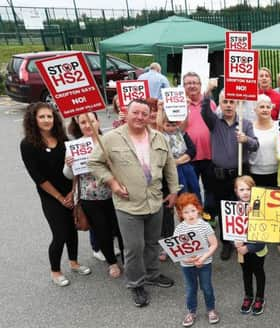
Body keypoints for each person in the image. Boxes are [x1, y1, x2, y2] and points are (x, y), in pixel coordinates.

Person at [89, 99, 179, 307]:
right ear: (126, 113)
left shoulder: (159, 137)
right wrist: (111, 182)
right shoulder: (111, 138)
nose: (139, 117)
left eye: (144, 113)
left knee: (152, 242)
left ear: (149, 116)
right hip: (128, 204)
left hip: (154, 200)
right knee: (133, 247)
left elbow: (170, 166)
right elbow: (94, 162)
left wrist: (173, 190)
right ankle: (136, 283)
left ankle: (153, 274)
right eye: (135, 112)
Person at [20, 102, 91, 287]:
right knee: (59, 233)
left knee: (72, 229)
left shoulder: (63, 138)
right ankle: (55, 271)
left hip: (70, 191)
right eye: (42, 117)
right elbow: (38, 177)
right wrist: (60, 197)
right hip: (51, 196)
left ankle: (74, 262)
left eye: (49, 116)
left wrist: (72, 191)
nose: (46, 120)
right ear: (33, 120)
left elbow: (76, 168)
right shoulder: (27, 144)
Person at [200, 90, 259, 260]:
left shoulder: (245, 124)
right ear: (220, 104)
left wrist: (246, 139)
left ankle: (243, 241)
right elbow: (205, 112)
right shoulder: (214, 122)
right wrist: (207, 94)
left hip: (239, 175)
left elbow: (256, 145)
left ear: (237, 104)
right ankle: (226, 243)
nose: (228, 105)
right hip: (219, 176)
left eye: (232, 101)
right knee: (225, 210)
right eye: (225, 101)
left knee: (241, 208)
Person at [64, 112, 122, 278]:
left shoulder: (110, 140)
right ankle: (111, 262)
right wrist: (69, 165)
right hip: (90, 198)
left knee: (120, 230)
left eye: (91, 120)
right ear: (79, 125)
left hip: (115, 194)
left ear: (98, 121)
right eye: (83, 122)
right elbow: (68, 175)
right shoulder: (75, 146)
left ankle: (127, 259)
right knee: (102, 231)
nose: (88, 125)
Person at [172, 193, 219, 327]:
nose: (190, 214)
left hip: (204, 263)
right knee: (190, 288)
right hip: (187, 265)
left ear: (198, 209)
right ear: (180, 213)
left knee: (207, 287)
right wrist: (186, 259)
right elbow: (176, 249)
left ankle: (211, 309)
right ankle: (191, 311)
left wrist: (203, 257)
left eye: (193, 210)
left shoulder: (204, 225)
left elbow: (214, 244)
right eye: (186, 212)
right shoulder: (180, 228)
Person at [233, 176, 268, 315]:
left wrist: (248, 248)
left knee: (258, 272)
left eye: (249, 189)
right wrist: (235, 244)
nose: (246, 192)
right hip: (240, 249)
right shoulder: (233, 208)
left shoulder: (260, 207)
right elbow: (230, 228)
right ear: (236, 191)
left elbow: (264, 232)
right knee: (246, 273)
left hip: (257, 249)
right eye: (242, 189)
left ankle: (260, 297)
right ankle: (248, 296)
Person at [182, 72, 217, 212]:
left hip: (209, 154)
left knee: (210, 189)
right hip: (189, 156)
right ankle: (195, 217)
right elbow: (180, 129)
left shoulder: (210, 103)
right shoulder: (179, 104)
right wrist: (184, 108)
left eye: (195, 83)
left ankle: (208, 215)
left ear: (200, 85)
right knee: (191, 190)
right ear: (183, 86)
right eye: (188, 83)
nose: (192, 86)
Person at [157, 108, 200, 200]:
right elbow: (158, 124)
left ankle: (197, 208)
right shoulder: (162, 134)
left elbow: (185, 122)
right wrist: (160, 109)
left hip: (186, 165)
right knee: (182, 190)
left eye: (173, 125)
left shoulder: (180, 131)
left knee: (194, 187)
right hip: (174, 168)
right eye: (168, 125)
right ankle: (183, 210)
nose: (171, 128)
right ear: (163, 125)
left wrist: (187, 107)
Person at [250, 95, 279, 187]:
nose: (265, 110)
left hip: (276, 172)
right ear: (255, 109)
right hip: (255, 173)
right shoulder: (249, 127)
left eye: (268, 107)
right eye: (262, 107)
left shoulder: (279, 126)